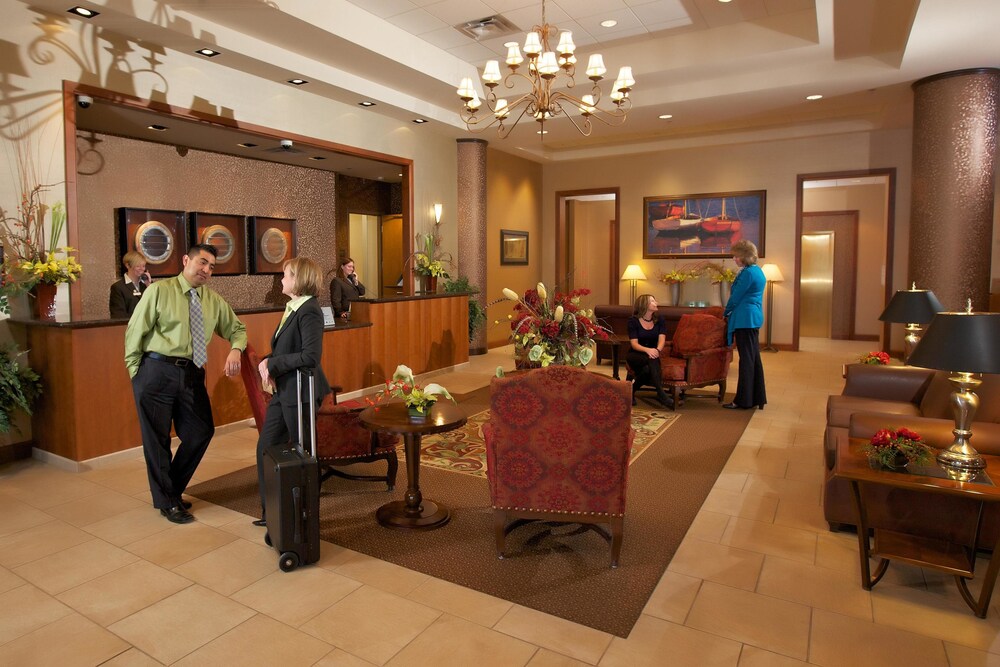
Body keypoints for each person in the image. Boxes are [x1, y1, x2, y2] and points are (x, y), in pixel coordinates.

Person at [124, 243, 247, 524]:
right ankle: (168, 501)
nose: (206, 270)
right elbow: (135, 331)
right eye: (202, 262)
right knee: (157, 440)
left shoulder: (213, 300)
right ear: (185, 261)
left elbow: (237, 329)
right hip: (156, 370)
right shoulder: (159, 291)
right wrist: (136, 373)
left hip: (192, 373)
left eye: (211, 267)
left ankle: (170, 491)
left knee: (200, 431)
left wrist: (235, 349)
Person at [253, 256, 331, 527]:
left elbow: (310, 356)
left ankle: (306, 517)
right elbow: (286, 350)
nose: (281, 279)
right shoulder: (294, 308)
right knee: (266, 448)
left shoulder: (309, 310)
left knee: (304, 455)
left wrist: (272, 364)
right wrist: (268, 360)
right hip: (284, 391)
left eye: (285, 274)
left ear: (298, 279)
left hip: (301, 392)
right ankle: (273, 514)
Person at [723, 239, 767, 410]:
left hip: (745, 319)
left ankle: (743, 400)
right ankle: (757, 397)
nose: (734, 259)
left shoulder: (747, 273)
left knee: (747, 361)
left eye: (736, 256)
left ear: (745, 256)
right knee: (753, 358)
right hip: (752, 318)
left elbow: (736, 297)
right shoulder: (757, 270)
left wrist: (726, 312)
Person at [626, 294, 673, 408]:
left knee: (647, 369)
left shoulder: (660, 319)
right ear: (645, 305)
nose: (656, 303)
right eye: (653, 301)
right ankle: (661, 393)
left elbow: (662, 339)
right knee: (652, 359)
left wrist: (657, 350)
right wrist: (648, 350)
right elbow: (634, 344)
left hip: (653, 353)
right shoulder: (633, 321)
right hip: (636, 354)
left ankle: (631, 391)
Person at [109, 251, 151, 318]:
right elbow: (118, 315)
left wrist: (149, 285)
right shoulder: (118, 287)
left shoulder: (147, 285)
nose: (142, 269)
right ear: (128, 265)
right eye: (138, 266)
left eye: (143, 266)